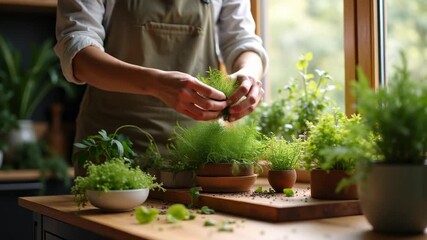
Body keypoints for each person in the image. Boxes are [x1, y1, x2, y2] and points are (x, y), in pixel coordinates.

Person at [55, 0, 268, 158]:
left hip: (197, 150)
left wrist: (249, 73)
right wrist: (155, 84)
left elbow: (242, 39)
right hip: (112, 145)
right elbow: (78, 54)